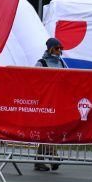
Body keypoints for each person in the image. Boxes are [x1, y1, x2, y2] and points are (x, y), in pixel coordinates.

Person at [34, 37, 67, 171]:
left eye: (61, 49)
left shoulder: (62, 63)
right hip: (44, 102)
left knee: (51, 130)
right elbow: (34, 81)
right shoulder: (41, 63)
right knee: (47, 129)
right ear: (50, 49)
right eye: (57, 48)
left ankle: (40, 160)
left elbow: (69, 78)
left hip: (57, 101)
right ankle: (53, 156)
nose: (59, 51)